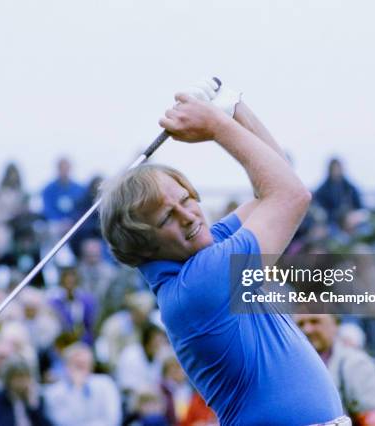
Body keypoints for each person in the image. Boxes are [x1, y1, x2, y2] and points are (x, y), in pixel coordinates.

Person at [99, 79, 345, 425]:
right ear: (144, 245)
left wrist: (233, 108)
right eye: (168, 216)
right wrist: (217, 127)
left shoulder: (204, 257)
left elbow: (274, 184)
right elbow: (291, 195)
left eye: (186, 199)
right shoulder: (202, 281)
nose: (189, 216)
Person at [294, 314, 375, 426]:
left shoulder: (356, 363)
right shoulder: (292, 364)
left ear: (335, 324)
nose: (307, 329)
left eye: (315, 322)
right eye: (300, 324)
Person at [44, 342, 121, 426]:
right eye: (77, 365)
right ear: (66, 366)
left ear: (91, 367)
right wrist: (77, 389)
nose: (81, 370)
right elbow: (62, 422)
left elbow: (112, 420)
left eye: (84, 364)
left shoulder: (106, 384)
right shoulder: (53, 392)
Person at [314, 158, 363, 225]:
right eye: (334, 169)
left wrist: (354, 216)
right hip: (332, 223)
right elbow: (321, 211)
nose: (337, 171)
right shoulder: (322, 191)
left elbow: (360, 207)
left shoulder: (350, 188)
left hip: (352, 223)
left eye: (338, 168)